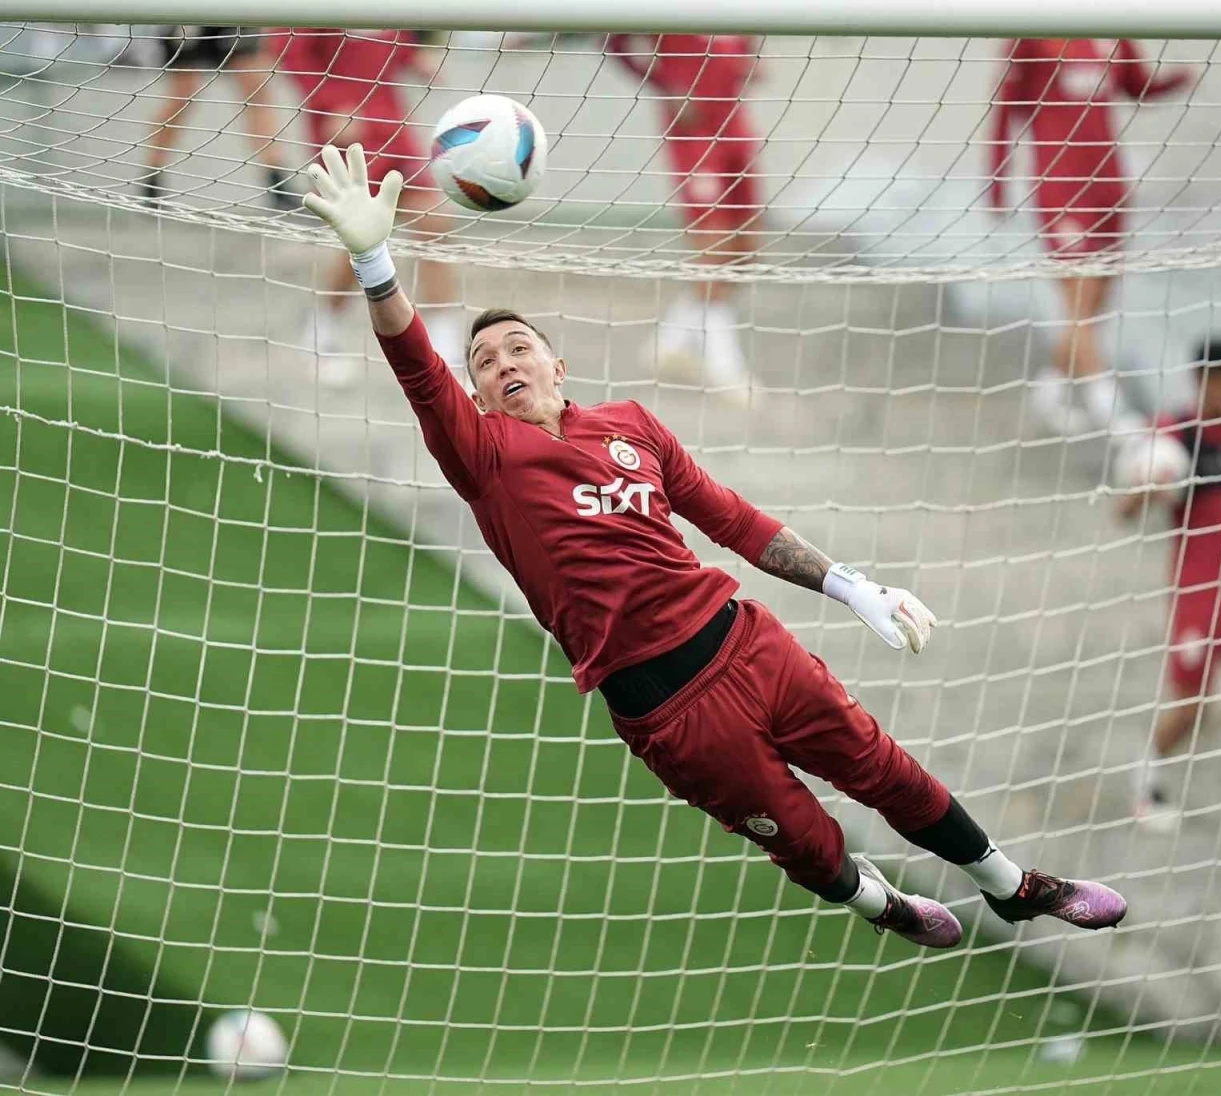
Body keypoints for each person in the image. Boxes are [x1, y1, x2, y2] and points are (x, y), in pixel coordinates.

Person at [300, 143, 1129, 946]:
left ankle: (1015, 887)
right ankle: (881, 904)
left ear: (559, 366)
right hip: (668, 710)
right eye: (484, 361)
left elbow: (728, 517)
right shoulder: (483, 455)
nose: (503, 362)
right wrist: (375, 261)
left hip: (745, 642)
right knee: (806, 841)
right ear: (477, 393)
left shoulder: (631, 425)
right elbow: (416, 365)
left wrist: (853, 587)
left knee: (882, 767)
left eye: (519, 347)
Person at [1123, 338, 1221, 877]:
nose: (1218, 393)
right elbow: (1125, 511)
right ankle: (1148, 777)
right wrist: (1147, 486)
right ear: (1197, 383)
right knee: (1194, 707)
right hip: (1201, 596)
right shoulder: (1177, 435)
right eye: (1209, 383)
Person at [990, 39, 1191, 436]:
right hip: (1061, 186)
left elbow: (1138, 86)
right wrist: (997, 180)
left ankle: (1050, 389)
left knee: (1096, 299)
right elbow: (1006, 109)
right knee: (1078, 291)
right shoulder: (1031, 38)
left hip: (1109, 184)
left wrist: (1180, 79)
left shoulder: (1113, 33)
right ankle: (1109, 407)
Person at [273, 27, 463, 384]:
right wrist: (331, 103)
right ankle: (321, 331)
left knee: (433, 221)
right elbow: (290, 51)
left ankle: (447, 348)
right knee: (360, 240)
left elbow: (391, 39)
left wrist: (414, 58)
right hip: (346, 131)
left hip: (391, 121)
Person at [606, 34, 762, 405]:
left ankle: (671, 340)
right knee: (713, 245)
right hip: (694, 132)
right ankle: (724, 366)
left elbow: (750, 36)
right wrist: (665, 84)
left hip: (735, 124)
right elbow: (614, 39)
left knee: (745, 252)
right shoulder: (667, 17)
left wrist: (750, 60)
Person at [139, 26, 293, 211]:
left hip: (234, 18)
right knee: (182, 94)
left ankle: (277, 181)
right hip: (191, 21)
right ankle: (152, 176)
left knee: (256, 88)